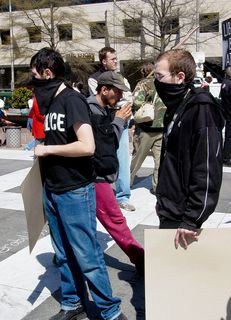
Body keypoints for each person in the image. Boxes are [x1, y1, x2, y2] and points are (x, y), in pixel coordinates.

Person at [32, 48, 127, 320]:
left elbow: (87, 145)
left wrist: (48, 150)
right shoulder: (51, 102)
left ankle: (110, 311)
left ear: (48, 73)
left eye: (36, 75)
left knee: (87, 255)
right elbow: (62, 140)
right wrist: (46, 146)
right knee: (63, 254)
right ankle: (72, 303)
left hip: (75, 190)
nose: (35, 82)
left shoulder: (72, 100)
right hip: (53, 187)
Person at [154, 49, 224, 249]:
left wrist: (193, 219)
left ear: (180, 77)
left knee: (178, 276)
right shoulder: (178, 105)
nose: (156, 81)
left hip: (183, 214)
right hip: (169, 205)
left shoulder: (202, 109)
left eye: (160, 76)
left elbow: (208, 168)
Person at [87, 71, 144, 275]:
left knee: (87, 224)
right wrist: (119, 120)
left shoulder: (101, 109)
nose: (120, 97)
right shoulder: (91, 110)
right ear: (104, 90)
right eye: (117, 92)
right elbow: (105, 145)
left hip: (97, 175)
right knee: (115, 220)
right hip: (94, 177)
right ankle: (141, 259)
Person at [88, 46, 135, 211]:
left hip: (121, 120)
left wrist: (121, 112)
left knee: (122, 159)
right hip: (106, 122)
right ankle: (104, 192)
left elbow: (129, 98)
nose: (116, 61)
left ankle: (123, 195)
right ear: (103, 61)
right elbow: (102, 102)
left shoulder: (121, 78)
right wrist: (118, 112)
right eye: (112, 59)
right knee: (104, 156)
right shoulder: (95, 80)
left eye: (116, 58)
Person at [130, 63, 166, 194]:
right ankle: (157, 187)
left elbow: (137, 102)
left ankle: (128, 182)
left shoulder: (143, 84)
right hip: (161, 126)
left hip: (146, 127)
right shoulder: (164, 83)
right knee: (159, 161)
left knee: (137, 158)